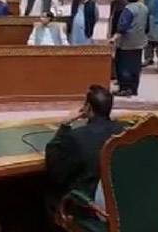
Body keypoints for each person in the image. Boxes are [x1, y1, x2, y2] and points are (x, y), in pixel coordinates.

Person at [44, 85, 124, 217]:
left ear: (87, 108)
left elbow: (55, 171)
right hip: (120, 204)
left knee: (47, 192)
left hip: (88, 207)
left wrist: (65, 124)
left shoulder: (76, 137)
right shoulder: (123, 133)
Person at [109, 0, 149, 97]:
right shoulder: (144, 8)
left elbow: (123, 26)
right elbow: (147, 26)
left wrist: (114, 38)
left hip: (126, 43)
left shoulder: (128, 9)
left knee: (123, 66)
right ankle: (134, 88)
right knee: (135, 66)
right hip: (139, 42)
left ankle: (125, 88)